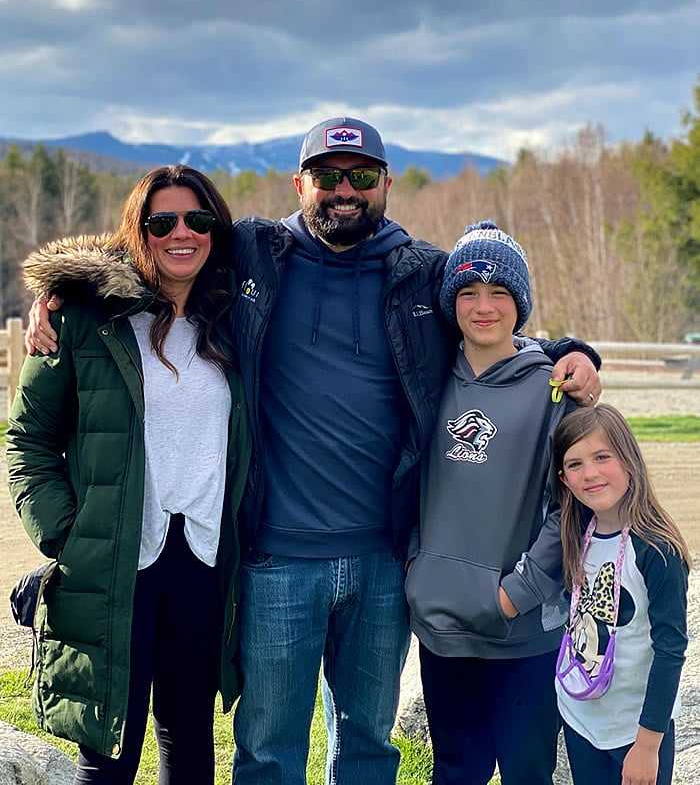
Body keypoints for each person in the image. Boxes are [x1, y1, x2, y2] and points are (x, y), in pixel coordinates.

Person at [26, 117, 602, 785]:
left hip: (384, 561)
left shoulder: (421, 275)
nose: (344, 191)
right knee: (267, 752)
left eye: (361, 176)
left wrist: (571, 352)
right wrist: (65, 287)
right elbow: (164, 245)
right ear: (300, 183)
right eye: (328, 176)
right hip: (275, 560)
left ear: (385, 184)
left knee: (365, 750)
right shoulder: (253, 256)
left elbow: (494, 314)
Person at [7, 165, 250, 785]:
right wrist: (67, 536)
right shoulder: (85, 319)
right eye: (161, 221)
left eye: (197, 221)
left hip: (201, 561)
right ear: (137, 230)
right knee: (108, 753)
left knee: (190, 742)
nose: (181, 234)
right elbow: (27, 439)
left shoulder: (234, 322)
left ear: (214, 230)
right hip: (114, 562)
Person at [405, 221, 578, 785]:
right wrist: (418, 574)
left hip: (522, 631)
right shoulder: (424, 382)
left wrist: (514, 595)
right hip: (443, 625)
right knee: (457, 770)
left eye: (499, 293)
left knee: (528, 771)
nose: (483, 307)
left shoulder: (554, 389)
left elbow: (569, 508)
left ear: (520, 303)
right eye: (468, 293)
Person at [553, 404, 690, 785]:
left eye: (602, 457)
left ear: (629, 460)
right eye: (575, 464)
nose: (590, 473)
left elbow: (670, 649)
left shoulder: (658, 550)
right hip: (582, 721)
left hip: (637, 731)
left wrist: (647, 747)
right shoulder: (575, 534)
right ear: (563, 478)